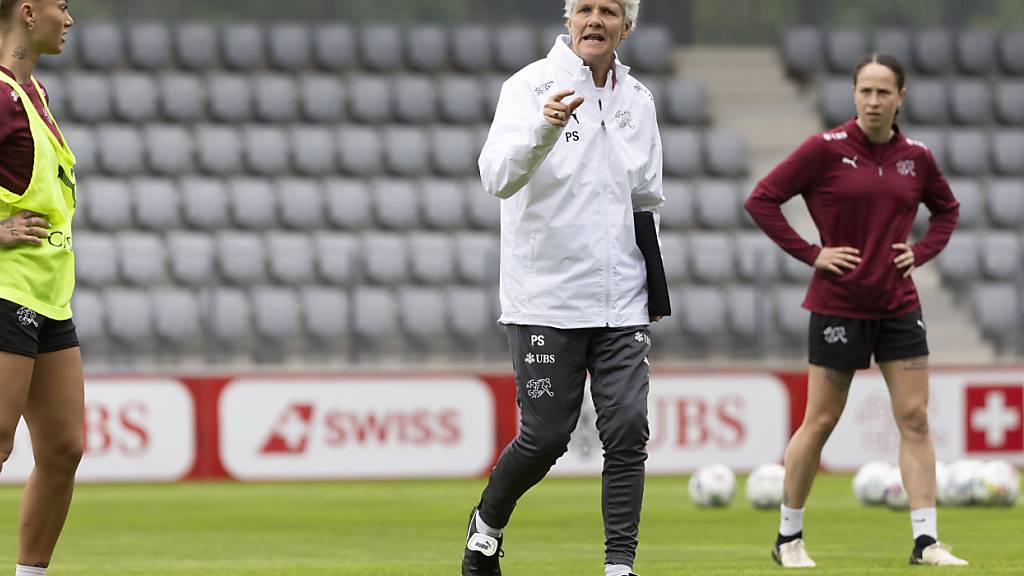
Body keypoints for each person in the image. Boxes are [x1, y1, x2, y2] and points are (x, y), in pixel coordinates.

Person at [462, 1, 664, 575]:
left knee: (627, 428)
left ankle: (619, 567)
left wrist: (652, 283)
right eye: (585, 9)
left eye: (609, 10)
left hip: (621, 300)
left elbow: (648, 197)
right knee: (547, 437)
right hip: (545, 299)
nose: (594, 20)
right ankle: (486, 527)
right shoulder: (528, 87)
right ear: (568, 20)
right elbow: (496, 175)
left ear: (627, 25)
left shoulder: (640, 101)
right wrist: (542, 130)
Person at [745, 53, 968, 568]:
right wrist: (812, 253)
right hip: (838, 306)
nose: (873, 100)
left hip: (898, 306)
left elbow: (947, 210)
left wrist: (923, 250)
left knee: (914, 418)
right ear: (853, 94)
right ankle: (788, 539)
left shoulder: (917, 156)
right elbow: (762, 200)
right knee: (820, 421)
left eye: (883, 92)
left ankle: (925, 542)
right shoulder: (822, 150)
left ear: (900, 98)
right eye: (864, 91)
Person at [0, 1, 82, 575]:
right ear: (30, 12)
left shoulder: (34, 95)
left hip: (48, 294)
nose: (70, 19)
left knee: (63, 448)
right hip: (6, 288)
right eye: (63, 6)